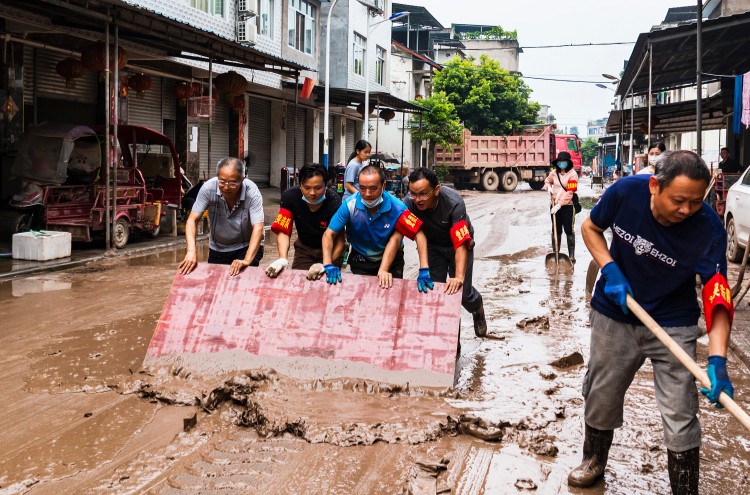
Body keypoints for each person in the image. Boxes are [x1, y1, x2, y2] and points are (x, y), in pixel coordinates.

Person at [571, 150, 734, 494]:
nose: (686, 210)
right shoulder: (625, 193)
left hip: (674, 321)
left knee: (681, 410)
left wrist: (718, 360)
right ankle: (594, 460)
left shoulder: (707, 228)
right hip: (616, 313)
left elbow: (717, 295)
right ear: (654, 186)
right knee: (601, 394)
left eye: (695, 201)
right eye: (678, 200)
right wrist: (610, 268)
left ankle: (685, 489)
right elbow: (590, 227)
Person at [321, 164, 433, 292]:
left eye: (373, 188)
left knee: (390, 298)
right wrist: (327, 264)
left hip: (392, 261)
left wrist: (424, 269)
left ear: (383, 186)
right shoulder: (349, 205)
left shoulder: (398, 208)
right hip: (361, 259)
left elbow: (418, 235)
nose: (367, 194)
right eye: (362, 188)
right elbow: (329, 234)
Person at [404, 168, 487, 337]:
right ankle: (451, 342)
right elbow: (415, 235)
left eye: (423, 194)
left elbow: (461, 243)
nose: (417, 199)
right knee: (437, 293)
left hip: (458, 244)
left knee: (462, 293)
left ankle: (477, 309)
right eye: (413, 194)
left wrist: (459, 277)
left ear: (436, 190)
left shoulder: (454, 203)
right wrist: (424, 268)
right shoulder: (408, 203)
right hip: (433, 246)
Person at [178, 157, 264, 276]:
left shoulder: (252, 192)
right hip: (218, 247)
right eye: (222, 181)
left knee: (242, 284)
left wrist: (247, 260)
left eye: (233, 183)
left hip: (246, 245)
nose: (226, 187)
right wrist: (191, 252)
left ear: (242, 180)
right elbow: (192, 220)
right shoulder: (208, 188)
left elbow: (258, 227)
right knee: (215, 286)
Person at [265, 164, 345, 280]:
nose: (312, 193)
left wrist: (326, 264)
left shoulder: (334, 201)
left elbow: (340, 241)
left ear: (326, 185)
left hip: (331, 250)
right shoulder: (290, 197)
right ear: (300, 184)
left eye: (318, 188)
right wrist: (282, 258)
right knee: (299, 283)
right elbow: (283, 230)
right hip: (304, 249)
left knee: (327, 286)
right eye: (307, 188)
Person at [545, 151, 579, 262]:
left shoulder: (573, 174)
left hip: (567, 206)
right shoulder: (554, 173)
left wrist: (560, 204)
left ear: (568, 163)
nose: (561, 164)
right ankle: (556, 253)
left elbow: (570, 192)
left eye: (564, 162)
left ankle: (571, 255)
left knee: (569, 230)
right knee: (556, 230)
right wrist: (548, 187)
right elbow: (547, 181)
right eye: (560, 162)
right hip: (554, 205)